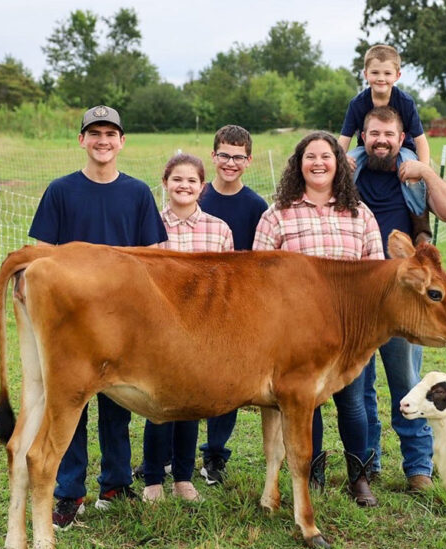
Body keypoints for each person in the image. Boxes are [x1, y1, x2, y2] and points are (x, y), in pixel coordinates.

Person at [28, 105, 168, 529]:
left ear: (122, 141)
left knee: (119, 403)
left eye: (111, 133)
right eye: (95, 133)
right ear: (82, 140)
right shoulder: (61, 191)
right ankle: (70, 493)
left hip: (123, 318)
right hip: (72, 319)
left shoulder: (138, 193)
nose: (103, 140)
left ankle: (115, 483)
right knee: (70, 403)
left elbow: (153, 259)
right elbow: (41, 257)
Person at [253, 131, 383, 507]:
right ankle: (314, 472)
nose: (318, 163)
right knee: (306, 403)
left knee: (353, 403)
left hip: (349, 330)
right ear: (298, 164)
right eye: (310, 157)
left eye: (326, 156)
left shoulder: (359, 213)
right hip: (297, 334)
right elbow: (258, 276)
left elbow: (376, 272)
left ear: (338, 163)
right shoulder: (277, 213)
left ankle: (359, 477)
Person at [352, 105, 446, 492]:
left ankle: (418, 467)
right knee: (358, 388)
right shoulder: (349, 177)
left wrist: (428, 171)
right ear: (362, 138)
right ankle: (365, 464)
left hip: (405, 302)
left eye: (389, 135)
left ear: (402, 139)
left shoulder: (412, 179)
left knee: (406, 383)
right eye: (373, 134)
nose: (380, 141)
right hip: (359, 303)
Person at [141, 153, 233, 504]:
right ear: (165, 183)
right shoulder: (150, 224)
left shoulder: (218, 229)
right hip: (161, 327)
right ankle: (152, 478)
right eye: (177, 179)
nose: (184, 186)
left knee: (192, 404)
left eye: (192, 181)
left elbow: (228, 284)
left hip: (202, 329)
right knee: (160, 404)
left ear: (202, 187)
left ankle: (182, 477)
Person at [197, 125, 268, 485]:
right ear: (213, 156)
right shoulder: (197, 195)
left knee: (226, 384)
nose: (230, 162)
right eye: (224, 155)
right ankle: (170, 456)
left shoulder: (256, 206)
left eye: (238, 157)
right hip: (193, 304)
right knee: (187, 377)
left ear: (248, 161)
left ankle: (215, 454)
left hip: (235, 306)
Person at [337, 43, 433, 245]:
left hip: (402, 149)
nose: (381, 78)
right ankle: (343, 207)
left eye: (387, 73)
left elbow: (420, 139)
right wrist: (340, 159)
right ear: (365, 74)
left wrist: (423, 169)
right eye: (375, 72)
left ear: (397, 76)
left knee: (412, 176)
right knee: (348, 165)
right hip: (367, 147)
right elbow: (344, 138)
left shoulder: (405, 102)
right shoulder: (357, 104)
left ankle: (420, 225)